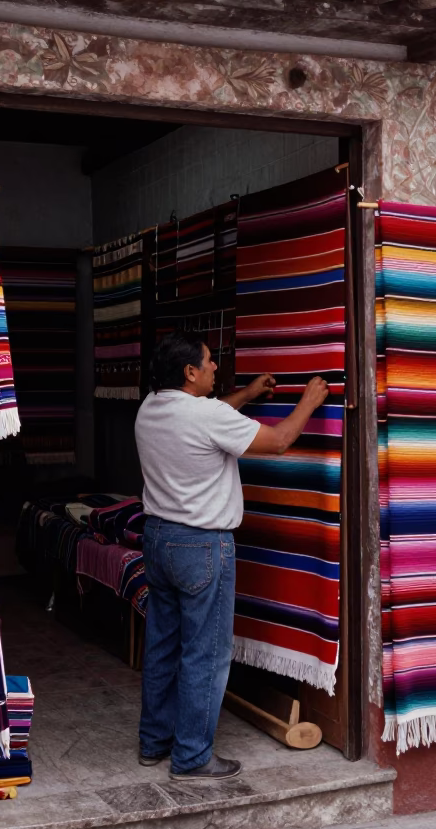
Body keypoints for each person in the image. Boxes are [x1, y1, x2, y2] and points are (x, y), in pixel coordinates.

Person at [134, 330, 329, 781]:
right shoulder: (204, 416)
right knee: (206, 653)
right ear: (190, 373)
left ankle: (154, 743)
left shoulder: (150, 408)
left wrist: (249, 393)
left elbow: (217, 413)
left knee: (163, 645)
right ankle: (193, 757)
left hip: (159, 539)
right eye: (209, 362)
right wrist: (310, 400)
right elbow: (279, 441)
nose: (216, 367)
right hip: (202, 546)